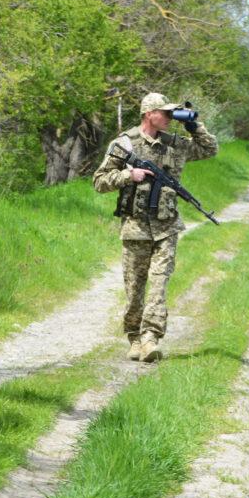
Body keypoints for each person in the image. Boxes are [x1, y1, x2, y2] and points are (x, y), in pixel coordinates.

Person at [92, 92, 218, 362]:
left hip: (166, 227)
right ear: (149, 114)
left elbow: (210, 149)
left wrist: (194, 125)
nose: (171, 118)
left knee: (159, 285)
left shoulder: (175, 144)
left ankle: (151, 338)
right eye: (166, 113)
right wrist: (128, 174)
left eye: (173, 113)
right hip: (135, 228)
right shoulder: (125, 144)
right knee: (135, 289)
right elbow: (99, 180)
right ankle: (135, 338)